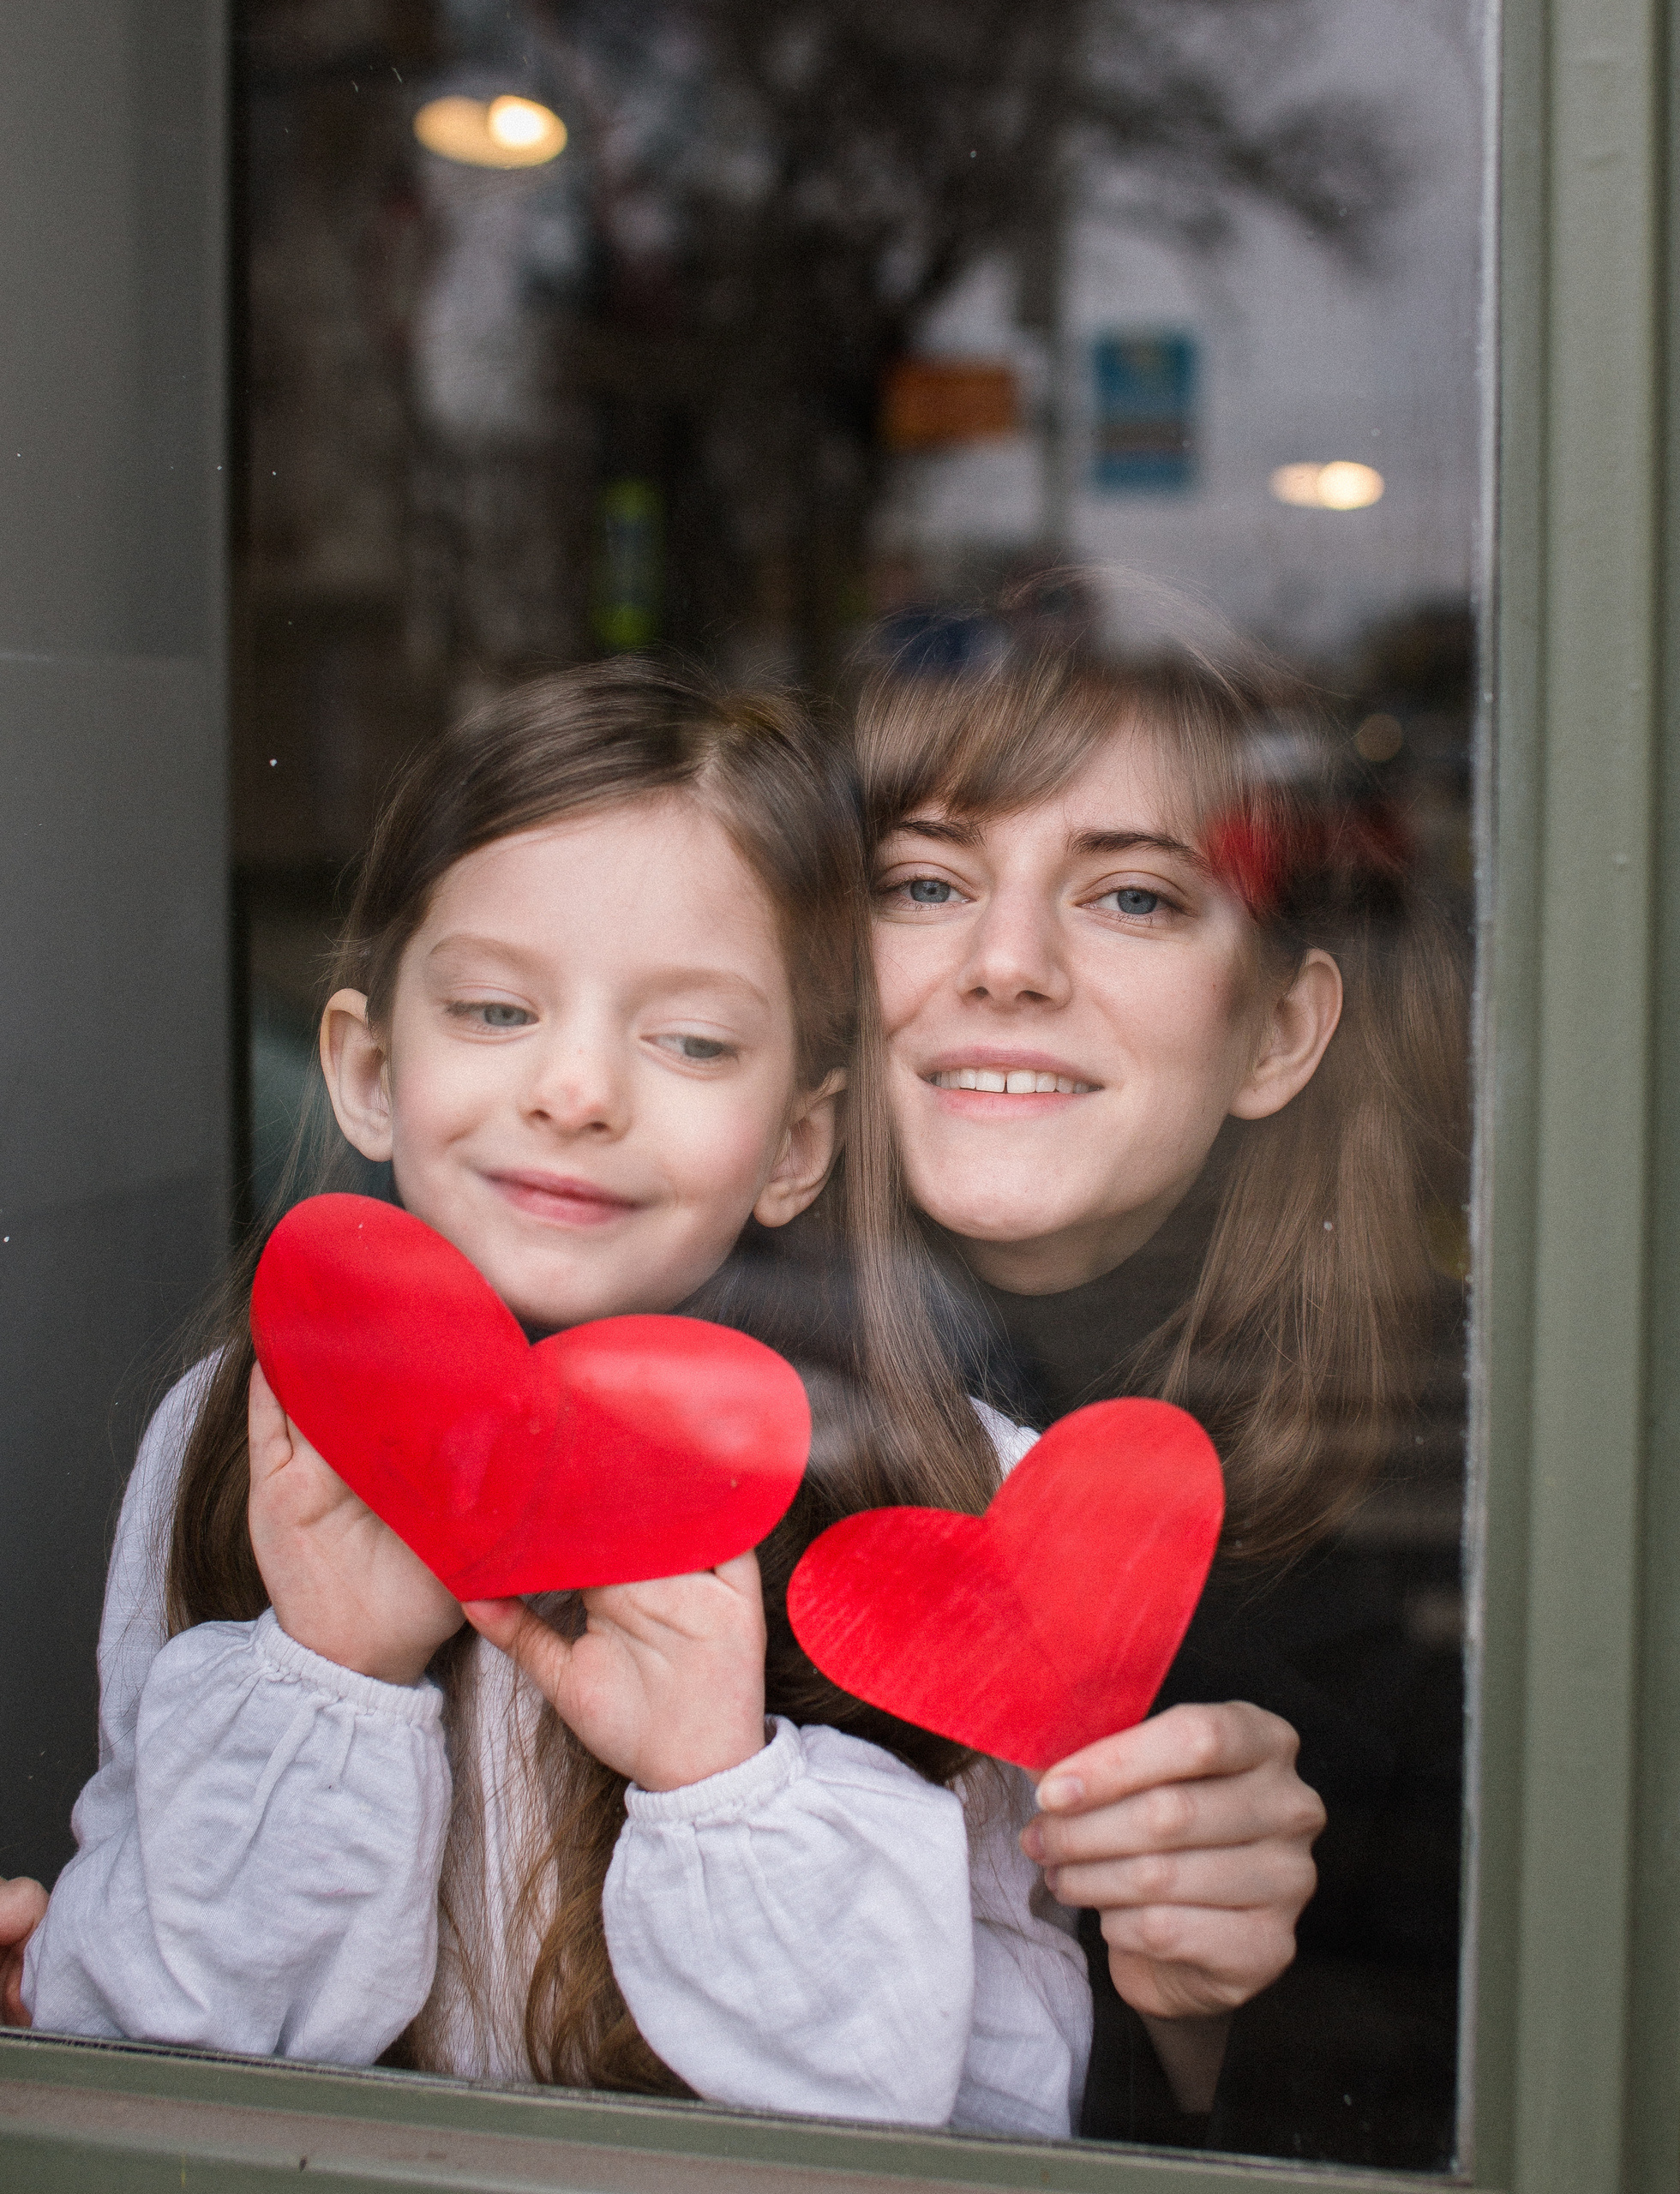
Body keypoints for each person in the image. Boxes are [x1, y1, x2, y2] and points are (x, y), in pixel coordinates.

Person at [18, 662, 1092, 2134]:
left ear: (796, 1142)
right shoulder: (238, 1436)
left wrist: (723, 1783)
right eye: (497, 1008)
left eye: (693, 1041)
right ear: (369, 1069)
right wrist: (327, 1671)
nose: (578, 1089)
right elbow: (148, 2052)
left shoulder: (949, 1494)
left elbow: (1006, 2108)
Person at [855, 640, 1468, 2168]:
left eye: (1131, 896)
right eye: (927, 884)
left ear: (1278, 1030)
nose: (1004, 962)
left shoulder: (1463, 1497)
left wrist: (1209, 2009)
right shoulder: (686, 1382)